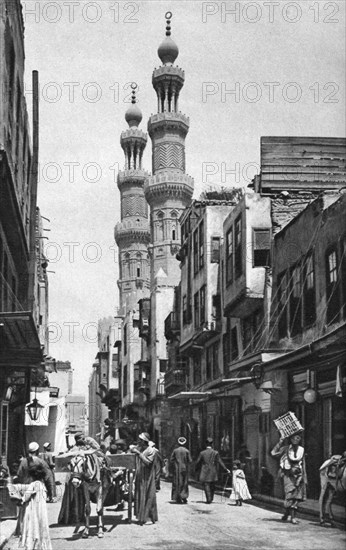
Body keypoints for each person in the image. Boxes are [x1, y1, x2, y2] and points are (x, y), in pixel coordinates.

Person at [271, 432, 307, 524]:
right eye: (293, 438)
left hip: (298, 475)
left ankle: (289, 515)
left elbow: (303, 464)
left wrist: (304, 477)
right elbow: (273, 453)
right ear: (290, 439)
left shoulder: (301, 450)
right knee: (289, 495)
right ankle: (290, 516)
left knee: (297, 497)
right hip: (288, 475)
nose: (296, 440)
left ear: (300, 439)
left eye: (298, 438)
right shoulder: (285, 449)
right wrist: (280, 442)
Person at [18, 463, 52, 550]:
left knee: (32, 527)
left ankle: (33, 546)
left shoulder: (33, 485)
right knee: (41, 527)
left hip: (34, 510)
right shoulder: (42, 485)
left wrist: (21, 500)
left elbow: (26, 496)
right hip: (41, 510)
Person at [130, 432, 158, 525]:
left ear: (144, 441)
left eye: (140, 440)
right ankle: (141, 516)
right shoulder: (140, 448)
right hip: (140, 475)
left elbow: (148, 463)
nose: (139, 442)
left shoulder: (151, 450)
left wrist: (139, 454)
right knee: (140, 495)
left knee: (148, 495)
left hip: (147, 477)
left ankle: (148, 517)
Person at [195, 437, 230, 504]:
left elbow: (198, 462)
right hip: (213, 471)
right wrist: (226, 469)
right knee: (212, 485)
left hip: (204, 470)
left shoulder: (202, 453)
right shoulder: (215, 452)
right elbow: (220, 462)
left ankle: (208, 499)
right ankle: (211, 498)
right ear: (212, 444)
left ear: (206, 444)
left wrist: (196, 469)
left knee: (206, 485)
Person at [170, 436, 192, 504]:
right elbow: (190, 460)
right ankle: (184, 496)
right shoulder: (187, 451)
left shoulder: (175, 451)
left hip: (177, 469)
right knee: (184, 483)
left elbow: (171, 460)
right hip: (184, 468)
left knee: (177, 482)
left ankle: (177, 497)